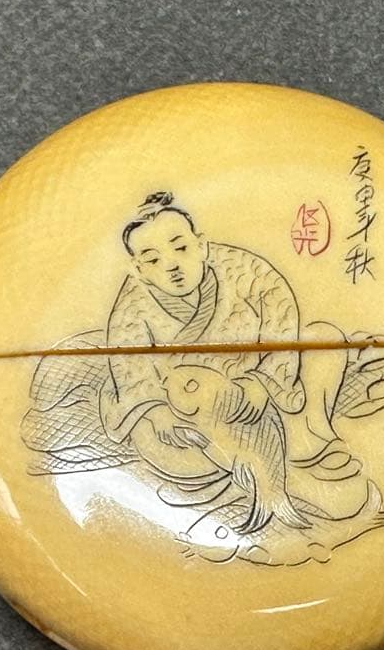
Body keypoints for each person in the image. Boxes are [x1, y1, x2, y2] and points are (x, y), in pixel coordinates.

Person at [97, 192, 353, 484]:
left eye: (181, 248)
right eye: (153, 259)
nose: (171, 265)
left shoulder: (245, 270)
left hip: (258, 392)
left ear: (201, 245)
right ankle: (258, 458)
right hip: (193, 411)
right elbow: (129, 367)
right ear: (138, 270)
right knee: (150, 435)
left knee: (326, 338)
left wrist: (262, 383)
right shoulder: (131, 307)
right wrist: (157, 413)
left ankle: (305, 435)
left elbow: (282, 320)